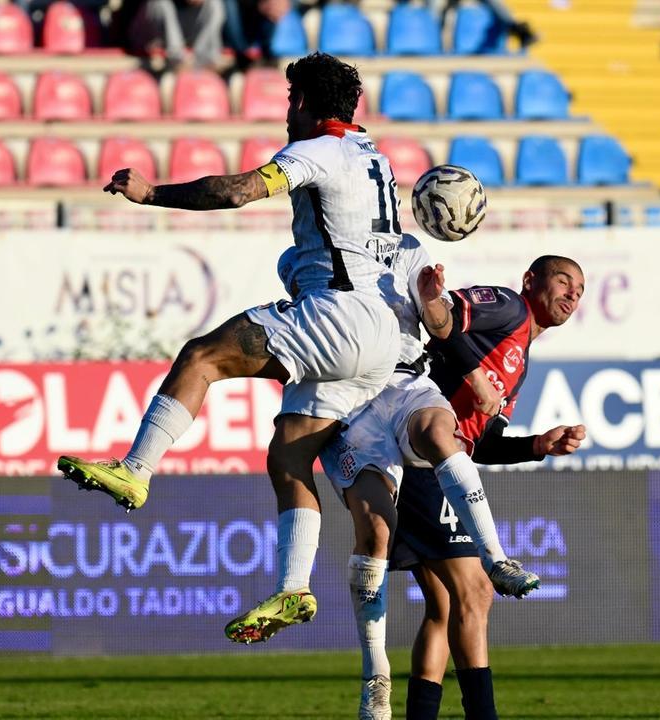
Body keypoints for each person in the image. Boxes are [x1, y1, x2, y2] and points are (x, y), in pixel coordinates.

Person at [57, 52, 402, 646]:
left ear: (306, 105)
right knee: (290, 456)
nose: (285, 109)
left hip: (335, 314)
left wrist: (152, 194)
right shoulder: (376, 157)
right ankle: (294, 585)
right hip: (380, 332)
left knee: (201, 357)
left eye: (291, 98)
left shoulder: (318, 149)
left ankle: (136, 471)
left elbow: (239, 191)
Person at [320, 254, 586, 719]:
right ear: (530, 281)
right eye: (563, 281)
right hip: (419, 450)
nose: (572, 294)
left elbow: (482, 445)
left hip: (432, 458)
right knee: (475, 592)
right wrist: (440, 313)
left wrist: (536, 446)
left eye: (579, 291)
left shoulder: (520, 361)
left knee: (446, 607)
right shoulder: (508, 308)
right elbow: (441, 319)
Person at [109, 0, 226, 69]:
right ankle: (177, 59)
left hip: (182, 28)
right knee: (161, 2)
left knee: (214, 4)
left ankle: (205, 58)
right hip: (145, 32)